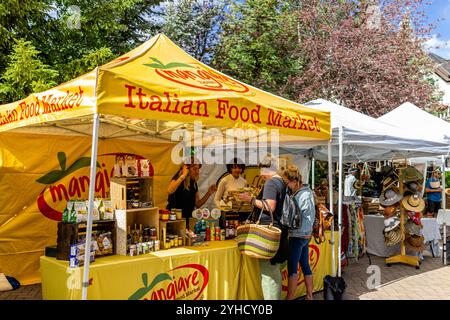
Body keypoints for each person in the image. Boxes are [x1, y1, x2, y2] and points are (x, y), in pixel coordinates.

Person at [239, 156, 288, 300]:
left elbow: (270, 206)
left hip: (268, 234)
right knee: (273, 273)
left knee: (268, 275)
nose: (260, 174)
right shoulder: (282, 182)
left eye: (261, 169)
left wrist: (251, 200)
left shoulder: (271, 183)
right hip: (279, 231)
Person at [281, 165, 315, 300]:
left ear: (294, 181)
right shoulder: (308, 192)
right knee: (305, 265)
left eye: (287, 182)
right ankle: (310, 295)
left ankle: (289, 298)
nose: (287, 185)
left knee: (292, 269)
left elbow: (295, 216)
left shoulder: (300, 196)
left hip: (298, 235)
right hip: (306, 235)